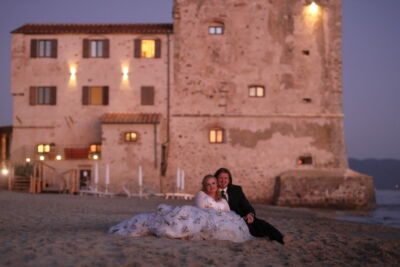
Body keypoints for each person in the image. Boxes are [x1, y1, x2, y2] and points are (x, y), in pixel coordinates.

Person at [108, 175, 253, 243]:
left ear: (217, 185)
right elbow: (199, 212)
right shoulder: (201, 195)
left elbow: (227, 212)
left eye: (214, 183)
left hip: (220, 219)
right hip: (204, 217)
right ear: (204, 186)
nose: (211, 186)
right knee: (178, 221)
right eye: (208, 184)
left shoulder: (222, 199)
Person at [215, 168, 285, 244]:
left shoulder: (236, 190)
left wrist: (250, 214)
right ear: (216, 179)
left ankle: (280, 238)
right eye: (220, 178)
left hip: (241, 217)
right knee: (251, 231)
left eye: (226, 178)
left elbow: (246, 205)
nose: (223, 180)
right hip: (224, 221)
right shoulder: (212, 191)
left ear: (229, 180)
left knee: (259, 223)